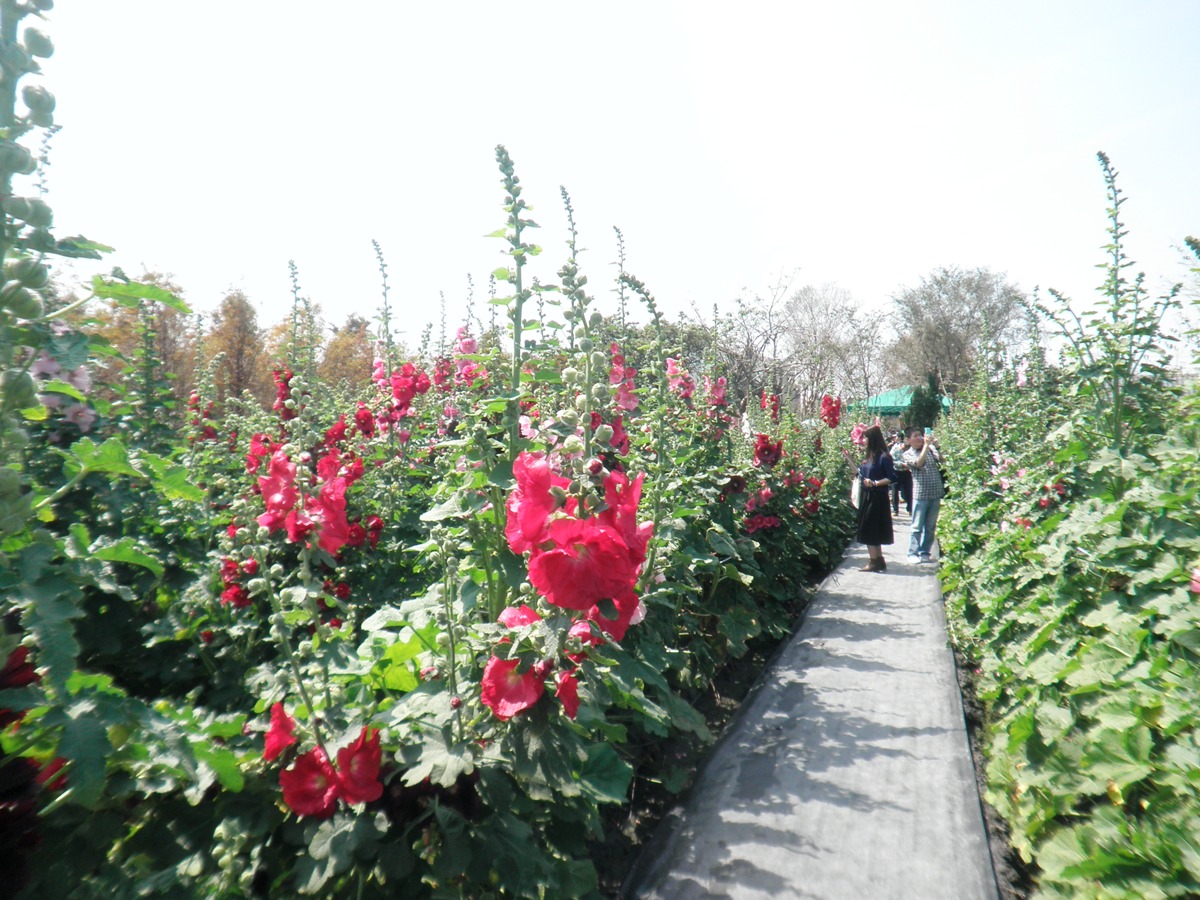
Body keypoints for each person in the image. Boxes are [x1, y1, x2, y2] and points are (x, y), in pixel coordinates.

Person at [854, 425, 895, 572]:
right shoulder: (868, 458)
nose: (863, 440)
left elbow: (891, 477)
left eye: (865, 438)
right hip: (867, 495)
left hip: (877, 497)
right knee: (871, 528)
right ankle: (879, 560)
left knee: (870, 529)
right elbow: (861, 474)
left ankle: (873, 561)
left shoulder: (884, 457)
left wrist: (875, 483)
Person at [903, 426, 945, 564]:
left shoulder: (931, 449)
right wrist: (926, 446)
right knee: (917, 526)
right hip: (920, 495)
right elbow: (918, 463)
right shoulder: (907, 454)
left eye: (920, 435)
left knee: (931, 526)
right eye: (915, 436)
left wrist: (937, 447)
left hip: (935, 492)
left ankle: (925, 551)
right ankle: (912, 552)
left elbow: (943, 461)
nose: (920, 438)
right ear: (908, 440)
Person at [889, 432, 912, 516]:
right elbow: (891, 460)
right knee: (894, 491)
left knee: (908, 491)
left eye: (896, 437)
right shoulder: (894, 447)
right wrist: (900, 464)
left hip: (907, 472)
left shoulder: (909, 448)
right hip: (896, 472)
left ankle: (910, 509)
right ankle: (895, 510)